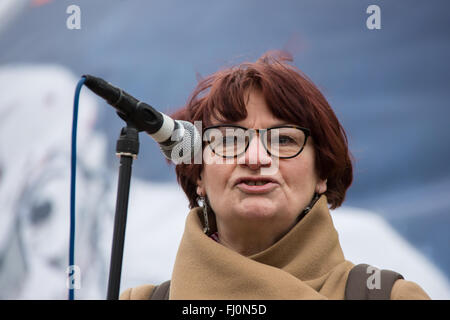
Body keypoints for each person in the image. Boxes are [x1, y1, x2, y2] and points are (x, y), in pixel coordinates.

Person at [120, 51, 430, 300]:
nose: (255, 158)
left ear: (322, 171)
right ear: (198, 174)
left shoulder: (388, 296)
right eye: (228, 139)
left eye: (283, 140)